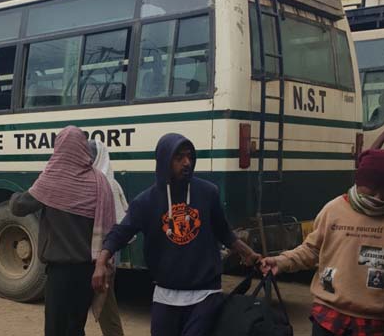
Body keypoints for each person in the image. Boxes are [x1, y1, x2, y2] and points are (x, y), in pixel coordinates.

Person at [92, 133, 260, 336]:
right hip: (166, 294)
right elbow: (120, 233)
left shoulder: (208, 193)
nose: (187, 163)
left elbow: (224, 233)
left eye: (189, 156)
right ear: (164, 161)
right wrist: (101, 263)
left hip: (205, 293)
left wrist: (249, 254)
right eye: (179, 158)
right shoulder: (146, 202)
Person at [261, 149, 384, 336]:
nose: (377, 198)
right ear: (358, 181)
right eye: (371, 190)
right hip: (328, 315)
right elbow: (311, 250)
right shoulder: (333, 209)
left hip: (373, 321)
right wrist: (281, 261)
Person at [10, 126, 115, 336]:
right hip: (88, 271)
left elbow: (18, 207)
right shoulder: (99, 182)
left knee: (55, 329)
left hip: (59, 273)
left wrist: (15, 195)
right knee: (76, 327)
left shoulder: (52, 179)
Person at [89, 139, 126, 336]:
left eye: (90, 155)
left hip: (103, 257)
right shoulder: (112, 181)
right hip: (107, 254)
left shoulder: (101, 183)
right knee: (106, 305)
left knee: (106, 307)